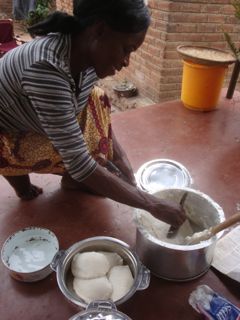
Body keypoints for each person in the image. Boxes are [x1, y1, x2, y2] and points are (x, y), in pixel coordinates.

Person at [0, 0, 186, 228]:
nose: (126, 62)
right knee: (66, 163)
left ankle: (72, 180)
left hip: (36, 112)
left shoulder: (83, 54)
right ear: (99, 31)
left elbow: (91, 109)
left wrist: (121, 160)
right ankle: (23, 188)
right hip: (8, 127)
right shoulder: (45, 68)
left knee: (96, 98)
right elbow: (79, 162)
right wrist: (151, 204)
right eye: (126, 49)